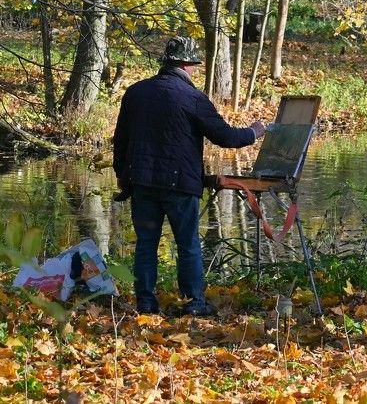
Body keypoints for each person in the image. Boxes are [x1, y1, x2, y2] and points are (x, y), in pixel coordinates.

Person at [112, 36, 266, 316]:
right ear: (187, 64)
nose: (195, 71)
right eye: (194, 66)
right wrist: (254, 132)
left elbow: (120, 140)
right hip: (179, 184)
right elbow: (225, 137)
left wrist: (122, 175)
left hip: (142, 183)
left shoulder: (135, 93)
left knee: (146, 244)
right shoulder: (192, 98)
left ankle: (145, 302)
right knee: (188, 244)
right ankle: (193, 301)